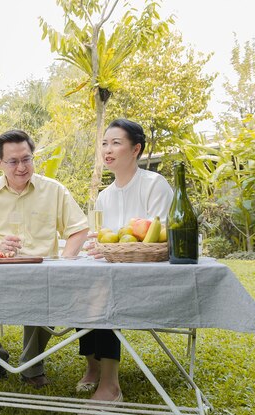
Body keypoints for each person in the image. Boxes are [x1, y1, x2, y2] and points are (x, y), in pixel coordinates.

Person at [0, 129, 89, 388]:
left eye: (27, 159)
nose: (21, 167)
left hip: (42, 274)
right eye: (13, 161)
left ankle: (32, 366)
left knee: (43, 292)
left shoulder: (54, 190)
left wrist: (64, 262)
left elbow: (78, 228)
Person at [80, 119, 173, 401]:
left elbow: (160, 236)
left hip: (149, 279)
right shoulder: (104, 197)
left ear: (136, 149)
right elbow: (101, 240)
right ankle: (93, 365)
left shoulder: (155, 185)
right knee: (79, 284)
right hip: (111, 274)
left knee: (104, 291)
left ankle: (111, 384)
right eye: (105, 143)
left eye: (116, 143)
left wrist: (113, 247)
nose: (108, 150)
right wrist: (96, 247)